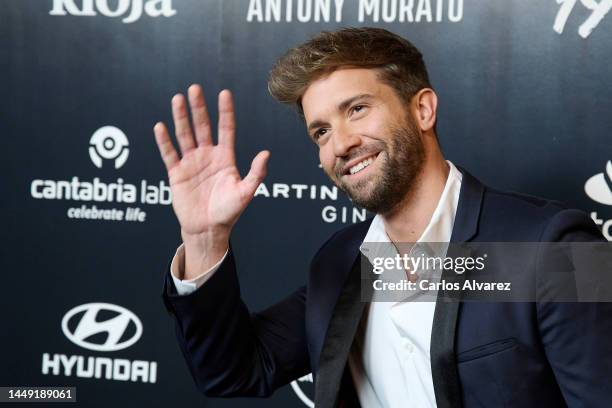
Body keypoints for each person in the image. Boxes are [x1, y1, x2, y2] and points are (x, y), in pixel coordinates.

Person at [154, 27, 611, 407]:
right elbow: (233, 372)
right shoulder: (338, 264)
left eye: (357, 109)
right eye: (321, 131)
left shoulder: (554, 246)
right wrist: (205, 239)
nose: (341, 143)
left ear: (423, 109)